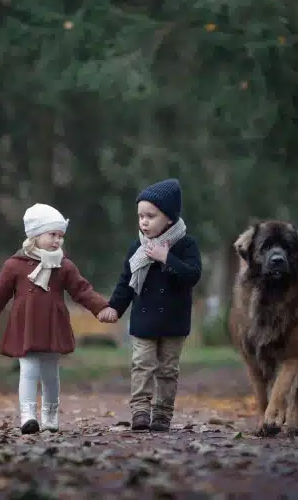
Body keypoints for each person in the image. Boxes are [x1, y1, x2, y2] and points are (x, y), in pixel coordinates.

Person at [0, 203, 114, 434]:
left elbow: (82, 290)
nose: (57, 240)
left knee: (50, 374)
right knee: (28, 371)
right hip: (26, 326)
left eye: (60, 236)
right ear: (35, 235)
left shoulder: (64, 266)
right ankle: (28, 416)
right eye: (52, 234)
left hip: (53, 326)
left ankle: (50, 414)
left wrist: (100, 307)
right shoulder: (14, 266)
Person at [99, 179, 202, 432]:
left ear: (169, 217)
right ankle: (141, 410)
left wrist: (167, 258)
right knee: (142, 365)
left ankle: (163, 414)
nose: (143, 221)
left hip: (174, 321)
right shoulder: (138, 247)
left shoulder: (186, 245)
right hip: (144, 320)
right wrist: (115, 307)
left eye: (150, 216)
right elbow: (126, 281)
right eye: (140, 216)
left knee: (167, 370)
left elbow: (192, 275)